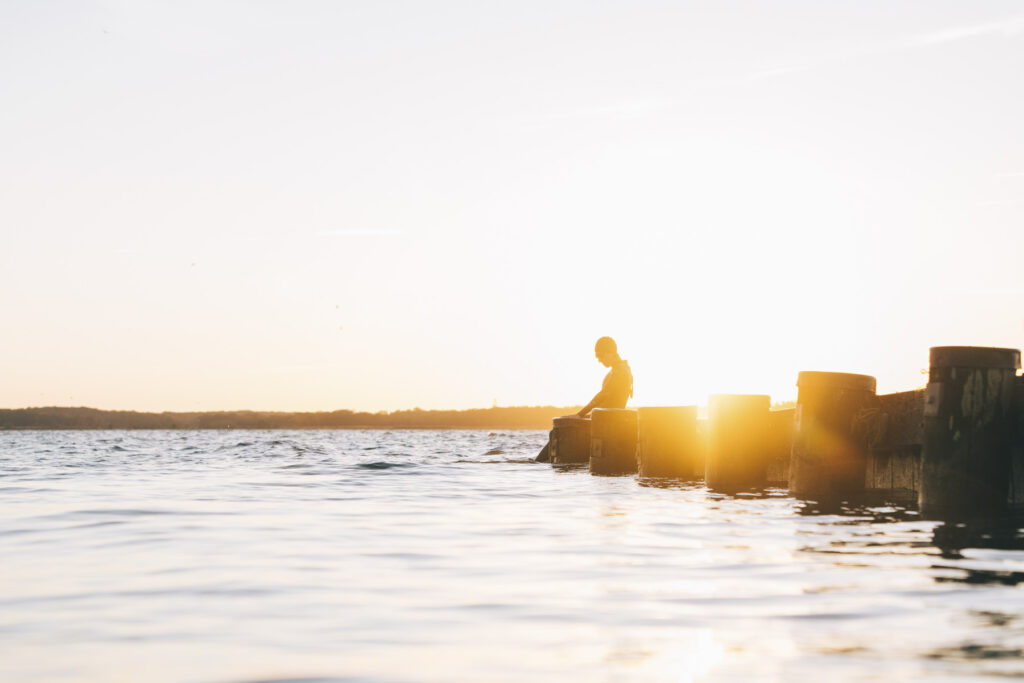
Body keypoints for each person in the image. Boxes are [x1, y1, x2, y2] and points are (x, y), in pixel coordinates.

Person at [535, 336, 633, 462]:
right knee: (562, 424)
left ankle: (538, 462)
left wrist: (580, 414)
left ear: (610, 353)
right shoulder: (620, 369)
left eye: (600, 356)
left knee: (565, 426)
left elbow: (603, 395)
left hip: (607, 423)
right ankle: (541, 460)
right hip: (602, 419)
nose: (599, 360)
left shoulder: (621, 371)